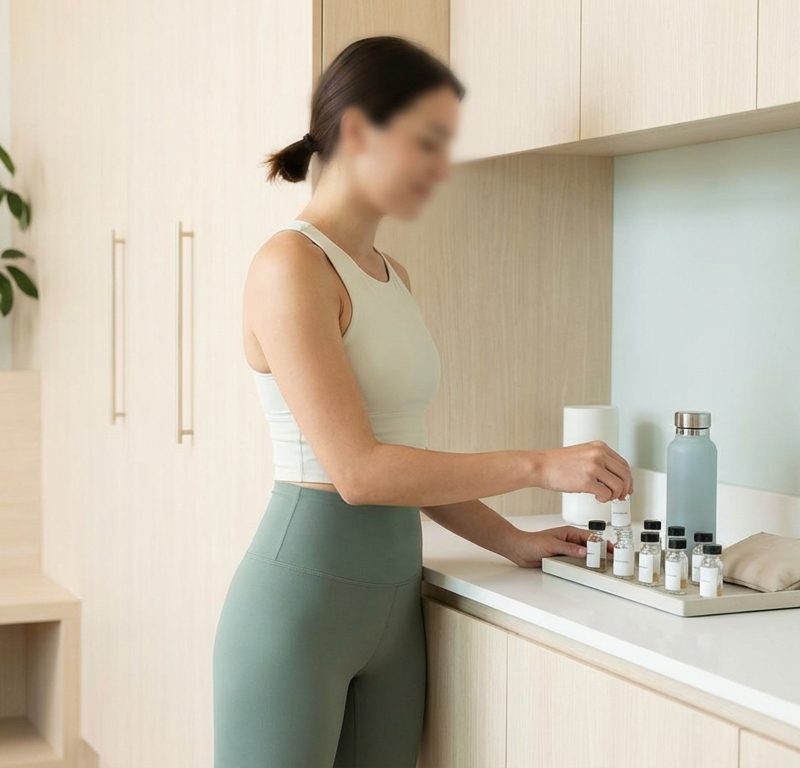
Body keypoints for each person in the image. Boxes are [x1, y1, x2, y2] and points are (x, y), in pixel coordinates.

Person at [213, 34, 632, 768]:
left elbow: (409, 459)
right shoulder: (290, 266)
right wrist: (537, 464)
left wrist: (515, 541)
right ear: (356, 132)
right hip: (298, 610)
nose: (440, 168)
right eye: (425, 142)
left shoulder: (390, 273)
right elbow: (361, 473)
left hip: (392, 611)